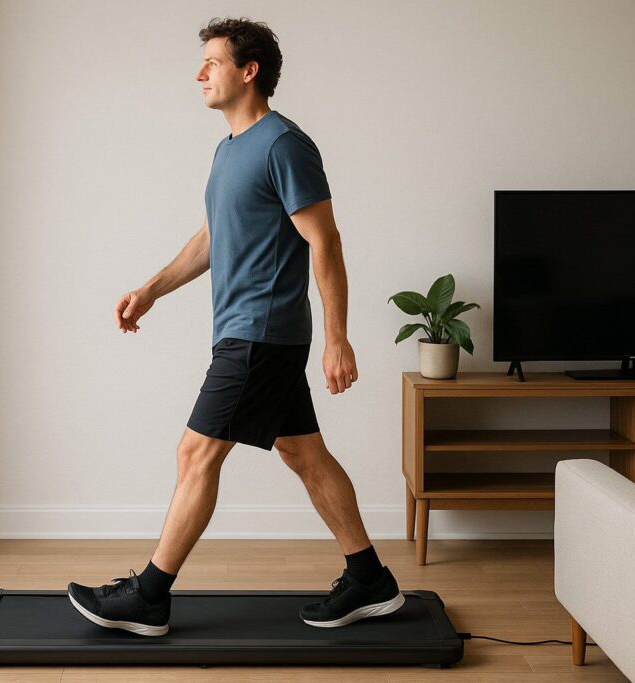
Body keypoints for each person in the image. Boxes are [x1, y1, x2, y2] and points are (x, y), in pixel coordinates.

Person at [68, 17, 403, 637]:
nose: (200, 73)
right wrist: (151, 290)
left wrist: (337, 337)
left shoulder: (283, 144)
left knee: (196, 452)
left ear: (249, 72)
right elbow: (211, 237)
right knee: (303, 453)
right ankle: (369, 579)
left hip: (261, 332)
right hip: (247, 331)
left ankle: (149, 596)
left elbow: (325, 240)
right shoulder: (229, 149)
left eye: (213, 62)